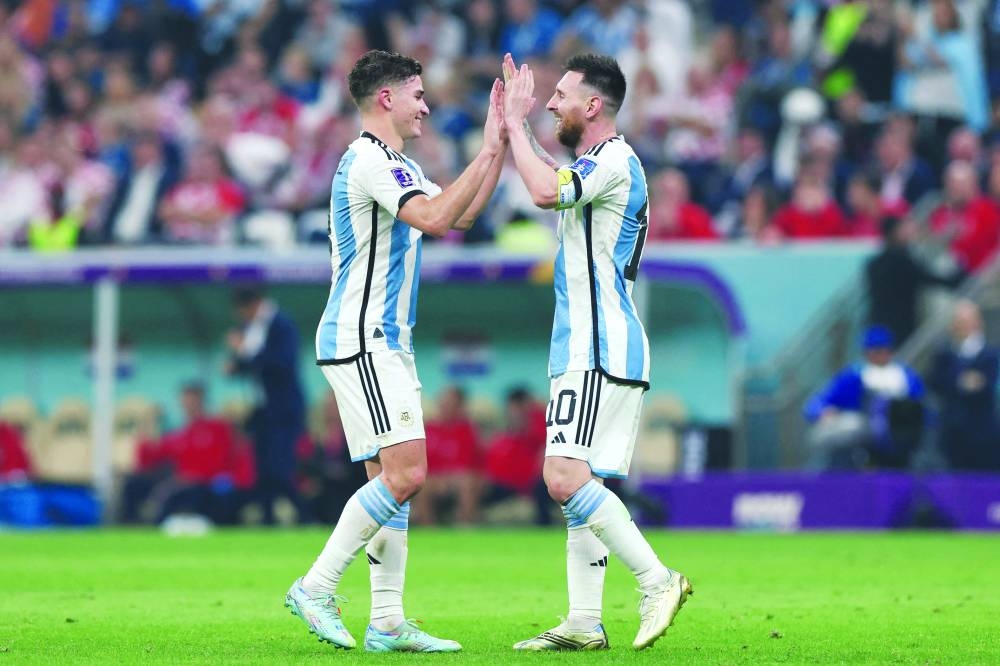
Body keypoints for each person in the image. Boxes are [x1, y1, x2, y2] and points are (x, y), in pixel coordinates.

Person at [284, 50, 507, 653]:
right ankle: (316, 586)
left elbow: (459, 216)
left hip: (380, 340)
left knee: (389, 480)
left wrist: (497, 141)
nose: (426, 106)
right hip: (365, 338)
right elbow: (436, 218)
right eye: (417, 95)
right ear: (386, 98)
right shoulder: (368, 160)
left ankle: (385, 621)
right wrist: (488, 150)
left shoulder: (395, 163)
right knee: (408, 474)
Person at [500, 52, 691, 651]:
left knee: (562, 479)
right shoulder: (604, 164)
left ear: (594, 105)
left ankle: (656, 579)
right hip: (600, 344)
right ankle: (584, 622)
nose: (551, 103)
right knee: (584, 483)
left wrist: (514, 124)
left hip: (597, 345)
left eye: (561, 94)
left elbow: (541, 190)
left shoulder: (613, 161)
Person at [226, 287, 307, 525]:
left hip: (284, 411)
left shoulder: (281, 325)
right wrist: (237, 364)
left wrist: (243, 354)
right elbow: (253, 363)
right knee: (263, 472)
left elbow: (281, 363)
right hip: (263, 412)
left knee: (280, 470)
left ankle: (307, 517)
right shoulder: (254, 329)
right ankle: (268, 520)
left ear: (253, 305)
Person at [804, 326, 926, 469]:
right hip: (864, 432)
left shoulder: (905, 375)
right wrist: (822, 411)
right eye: (873, 350)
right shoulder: (855, 375)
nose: (878, 355)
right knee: (843, 428)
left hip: (900, 434)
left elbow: (921, 405)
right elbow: (816, 403)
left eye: (882, 350)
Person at [866, 216, 965, 344]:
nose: (908, 233)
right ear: (895, 233)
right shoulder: (902, 260)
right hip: (901, 324)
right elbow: (926, 277)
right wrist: (955, 279)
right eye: (903, 229)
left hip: (879, 320)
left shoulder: (874, 264)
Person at [928, 300, 1000, 471]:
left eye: (966, 321)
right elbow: (935, 382)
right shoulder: (944, 353)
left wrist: (964, 383)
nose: (961, 326)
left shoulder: (991, 354)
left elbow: (986, 385)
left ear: (978, 322)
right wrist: (962, 382)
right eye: (958, 322)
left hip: (982, 431)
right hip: (952, 430)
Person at [412, 386, 482, 525]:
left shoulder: (468, 430)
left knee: (466, 482)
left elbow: (469, 464)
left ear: (459, 406)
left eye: (450, 402)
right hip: (433, 478)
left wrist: (448, 479)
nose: (445, 406)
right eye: (443, 402)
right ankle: (428, 531)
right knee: (421, 484)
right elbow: (422, 461)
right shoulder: (429, 428)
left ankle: (465, 527)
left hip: (459, 479)